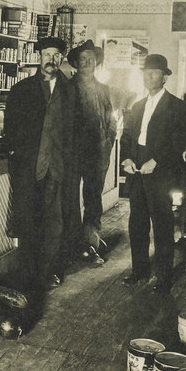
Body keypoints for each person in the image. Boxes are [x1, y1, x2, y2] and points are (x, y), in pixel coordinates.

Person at [4, 36, 75, 292]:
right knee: (27, 221)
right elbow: (9, 128)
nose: (51, 60)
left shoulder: (71, 91)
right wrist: (16, 156)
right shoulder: (21, 90)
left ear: (61, 59)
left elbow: (77, 131)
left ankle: (51, 270)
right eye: (47, 55)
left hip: (58, 168)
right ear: (39, 57)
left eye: (57, 56)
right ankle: (28, 273)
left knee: (55, 223)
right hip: (29, 167)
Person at [120, 53, 186, 292]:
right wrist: (126, 158)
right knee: (136, 224)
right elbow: (127, 136)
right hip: (137, 169)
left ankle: (163, 277)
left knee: (162, 225)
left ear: (164, 77)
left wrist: (157, 160)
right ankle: (139, 272)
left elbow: (178, 142)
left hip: (160, 173)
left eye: (155, 73)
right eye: (146, 73)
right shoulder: (137, 106)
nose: (149, 77)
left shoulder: (177, 106)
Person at [67, 40, 117, 267]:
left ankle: (91, 244)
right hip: (71, 154)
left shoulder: (104, 89)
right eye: (82, 59)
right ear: (76, 63)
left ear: (96, 62)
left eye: (91, 59)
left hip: (97, 154)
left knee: (93, 200)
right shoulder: (66, 88)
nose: (87, 63)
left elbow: (111, 120)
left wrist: (108, 142)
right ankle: (72, 245)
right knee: (68, 199)